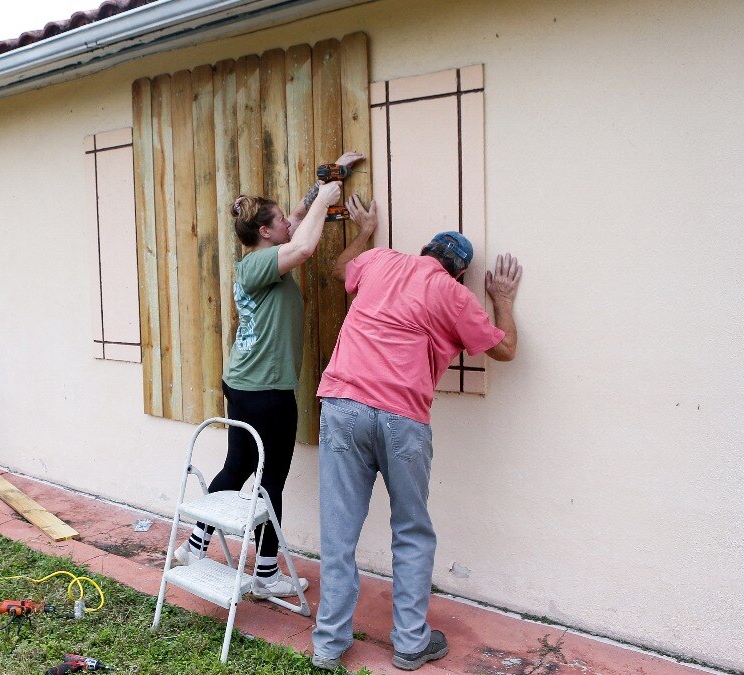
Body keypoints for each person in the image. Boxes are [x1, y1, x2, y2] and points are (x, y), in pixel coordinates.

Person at [309, 214, 523, 671]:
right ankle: (410, 643)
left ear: (424, 251)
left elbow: (337, 268)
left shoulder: (380, 261)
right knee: (410, 530)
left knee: (339, 530)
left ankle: (328, 645)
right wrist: (502, 300)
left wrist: (365, 233)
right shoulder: (453, 294)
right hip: (401, 418)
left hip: (343, 404)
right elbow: (504, 350)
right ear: (459, 271)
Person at [173, 151, 374, 599]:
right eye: (280, 219)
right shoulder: (261, 263)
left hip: (246, 382)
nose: (290, 220)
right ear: (265, 232)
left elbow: (299, 220)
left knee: (239, 465)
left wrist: (328, 176)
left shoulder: (259, 259)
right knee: (271, 479)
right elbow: (303, 245)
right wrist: (326, 198)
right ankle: (266, 575)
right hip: (265, 390)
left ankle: (195, 545)